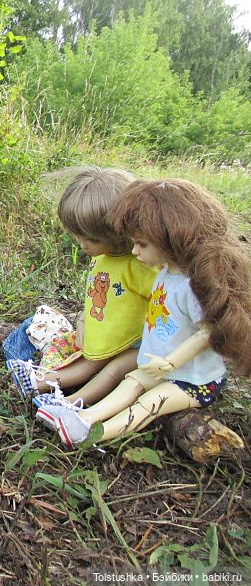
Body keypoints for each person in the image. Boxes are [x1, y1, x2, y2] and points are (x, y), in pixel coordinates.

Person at [37, 179, 251, 447]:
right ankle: (74, 411)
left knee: (148, 402)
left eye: (142, 244)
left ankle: (92, 434)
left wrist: (171, 363)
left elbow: (208, 330)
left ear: (173, 241)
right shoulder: (164, 274)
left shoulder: (192, 286)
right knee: (130, 383)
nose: (134, 250)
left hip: (194, 380)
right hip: (156, 363)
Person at [9, 167, 157, 407]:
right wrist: (84, 321)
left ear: (121, 233)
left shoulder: (139, 265)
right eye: (78, 236)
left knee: (110, 368)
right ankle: (38, 380)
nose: (83, 245)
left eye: (93, 239)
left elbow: (162, 303)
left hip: (136, 341)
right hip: (104, 330)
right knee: (87, 357)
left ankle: (68, 400)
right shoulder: (105, 255)